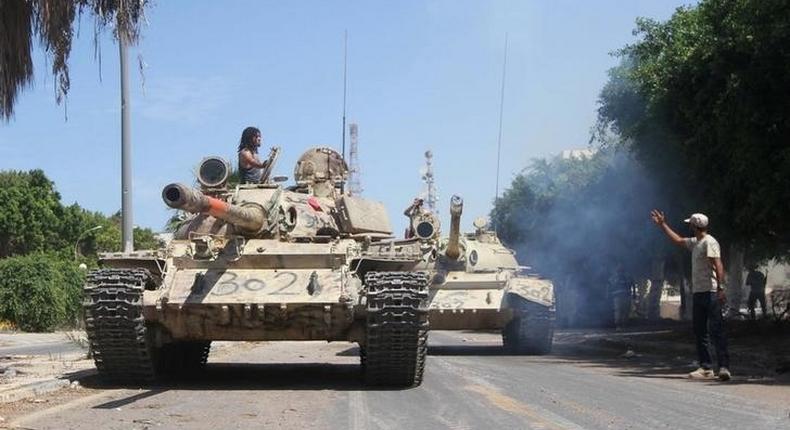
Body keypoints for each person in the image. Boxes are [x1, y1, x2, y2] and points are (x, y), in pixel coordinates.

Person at [650, 210, 731, 381]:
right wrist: (662, 225)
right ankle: (706, 368)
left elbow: (718, 264)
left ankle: (723, 367)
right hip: (699, 292)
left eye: (690, 225)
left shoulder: (709, 242)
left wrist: (721, 288)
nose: (689, 227)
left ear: (695, 226)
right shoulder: (696, 242)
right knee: (700, 331)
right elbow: (679, 240)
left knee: (716, 329)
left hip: (711, 292)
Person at [608, 263, 634, 329]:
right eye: (619, 268)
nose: (620, 269)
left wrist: (634, 294)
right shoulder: (614, 277)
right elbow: (610, 285)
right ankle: (618, 325)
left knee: (626, 311)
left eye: (622, 268)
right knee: (618, 311)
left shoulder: (628, 276)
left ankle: (624, 325)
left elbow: (632, 284)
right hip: (617, 297)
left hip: (626, 296)